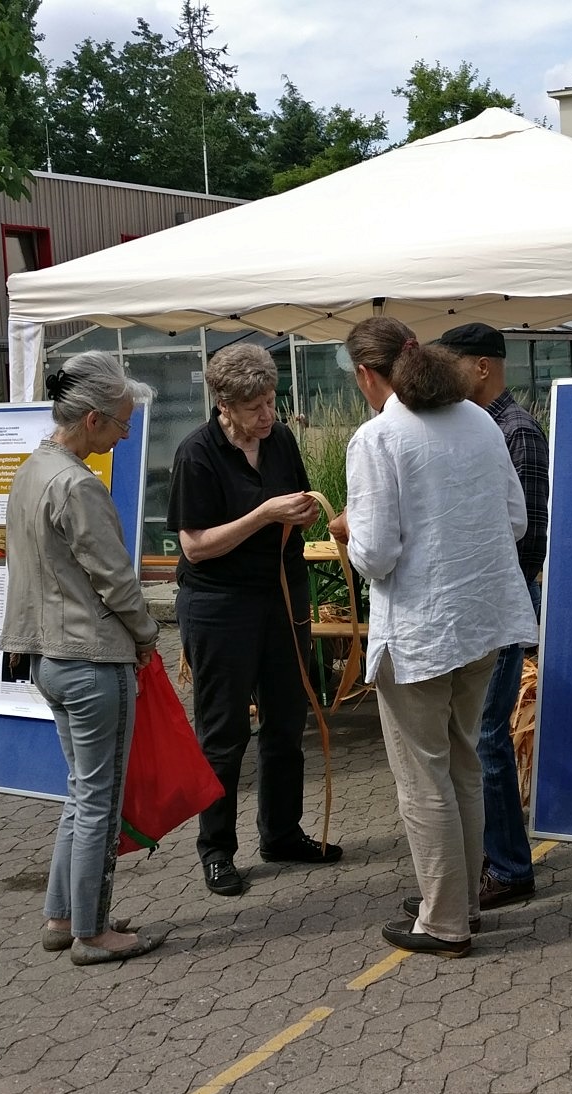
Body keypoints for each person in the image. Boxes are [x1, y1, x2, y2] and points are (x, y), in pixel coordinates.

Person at [329, 317, 536, 957]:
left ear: (367, 374)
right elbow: (516, 520)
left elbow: (377, 554)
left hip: (420, 630)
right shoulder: (479, 420)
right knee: (464, 763)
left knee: (425, 778)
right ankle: (462, 903)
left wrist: (349, 535)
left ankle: (444, 920)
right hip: (485, 619)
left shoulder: (378, 437)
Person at [1, 351, 164, 965]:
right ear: (92, 419)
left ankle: (62, 916)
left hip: (48, 656)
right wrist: (146, 634)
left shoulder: (31, 470)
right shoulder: (77, 484)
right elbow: (115, 580)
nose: (125, 435)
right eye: (122, 423)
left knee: (80, 792)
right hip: (92, 658)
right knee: (100, 800)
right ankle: (92, 933)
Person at [167, 342, 341, 898]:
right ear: (224, 405)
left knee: (287, 720)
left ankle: (282, 834)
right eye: (255, 407)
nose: (268, 415)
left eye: (271, 401)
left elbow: (294, 502)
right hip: (220, 604)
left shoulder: (280, 439)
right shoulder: (197, 454)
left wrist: (303, 512)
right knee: (224, 733)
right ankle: (217, 849)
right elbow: (195, 547)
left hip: (282, 594)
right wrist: (264, 514)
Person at [432, 321, 546, 915]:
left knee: (486, 735)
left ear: (481, 366)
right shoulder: (473, 425)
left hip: (501, 602)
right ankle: (486, 859)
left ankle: (509, 868)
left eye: (451, 364)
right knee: (476, 734)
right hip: (481, 602)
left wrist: (488, 582)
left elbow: (529, 538)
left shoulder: (515, 430)